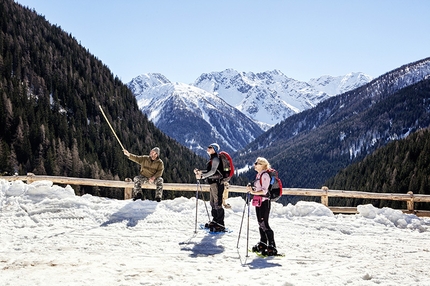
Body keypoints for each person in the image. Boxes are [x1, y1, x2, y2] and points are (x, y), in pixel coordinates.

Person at [246, 157, 278, 256]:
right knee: (260, 223)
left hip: (264, 202)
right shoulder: (258, 175)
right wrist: (252, 189)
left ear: (263, 165)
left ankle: (272, 245)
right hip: (259, 201)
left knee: (264, 223)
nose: (255, 165)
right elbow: (258, 188)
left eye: (257, 163)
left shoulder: (265, 175)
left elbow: (264, 190)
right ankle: (263, 242)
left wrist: (253, 191)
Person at [194, 143, 225, 232]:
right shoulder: (213, 159)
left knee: (217, 203)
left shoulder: (215, 159)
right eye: (208, 147)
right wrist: (201, 172)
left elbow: (212, 171)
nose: (208, 149)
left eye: (210, 148)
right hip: (213, 183)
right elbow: (209, 171)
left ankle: (220, 224)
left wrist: (203, 176)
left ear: (214, 149)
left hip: (217, 183)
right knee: (212, 203)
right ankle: (215, 221)